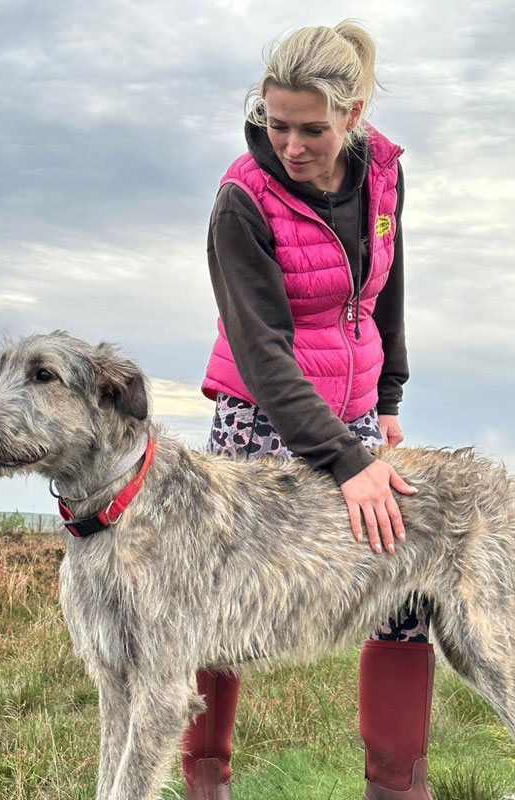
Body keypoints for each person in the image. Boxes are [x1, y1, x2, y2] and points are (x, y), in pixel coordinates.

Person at [182, 21, 435, 800]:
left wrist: (386, 399)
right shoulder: (240, 201)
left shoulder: (382, 176)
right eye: (276, 123)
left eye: (312, 129)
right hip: (259, 418)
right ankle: (205, 778)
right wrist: (350, 463)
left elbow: (381, 286)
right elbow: (263, 356)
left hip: (354, 419)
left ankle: (397, 786)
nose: (290, 144)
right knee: (222, 601)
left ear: (353, 115)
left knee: (399, 589)